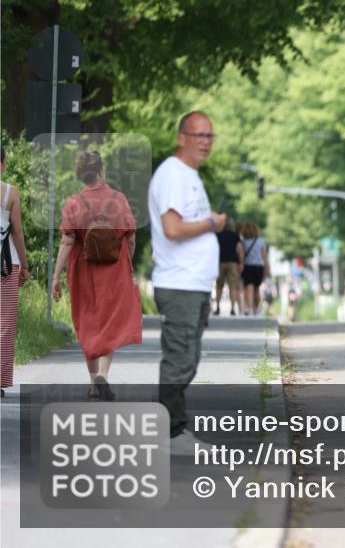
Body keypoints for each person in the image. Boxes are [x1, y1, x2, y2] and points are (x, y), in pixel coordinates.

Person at [148, 111, 226, 455]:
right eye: (198, 136)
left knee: (188, 358)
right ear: (182, 137)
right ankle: (171, 433)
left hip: (193, 284)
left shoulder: (189, 176)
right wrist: (211, 223)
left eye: (210, 136)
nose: (205, 143)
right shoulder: (173, 175)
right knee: (180, 359)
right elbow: (173, 229)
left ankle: (175, 431)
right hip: (179, 284)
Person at [51, 151, 142, 401]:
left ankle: (93, 385)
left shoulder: (73, 203)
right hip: (114, 272)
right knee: (110, 322)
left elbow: (67, 242)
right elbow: (131, 237)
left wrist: (56, 276)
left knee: (88, 322)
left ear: (81, 175)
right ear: (101, 171)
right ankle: (102, 374)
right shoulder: (119, 199)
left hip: (83, 273)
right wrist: (127, 264)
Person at [1, 145, 30, 398]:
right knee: (5, 324)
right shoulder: (11, 192)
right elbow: (17, 231)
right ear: (4, 162)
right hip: (6, 264)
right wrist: (25, 263)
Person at [214, 218, 243, 316]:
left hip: (220, 262)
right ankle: (232, 308)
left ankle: (217, 307)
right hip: (232, 262)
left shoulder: (217, 235)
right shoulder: (235, 235)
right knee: (233, 286)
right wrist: (241, 263)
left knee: (219, 286)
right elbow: (239, 249)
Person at [239, 222, 269, 315]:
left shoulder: (243, 242)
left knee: (249, 288)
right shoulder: (261, 241)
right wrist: (267, 268)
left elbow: (242, 256)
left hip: (248, 266)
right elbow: (264, 256)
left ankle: (249, 308)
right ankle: (257, 308)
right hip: (259, 267)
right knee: (256, 289)